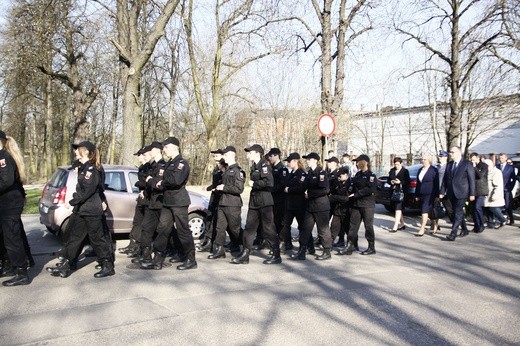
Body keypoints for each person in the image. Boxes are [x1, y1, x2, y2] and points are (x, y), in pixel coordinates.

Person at [46, 141, 115, 278]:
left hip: (91, 209)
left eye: (78, 149)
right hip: (82, 209)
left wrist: (71, 202)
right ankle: (67, 264)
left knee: (97, 239)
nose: (75, 151)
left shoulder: (91, 169)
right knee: (74, 238)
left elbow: (87, 191)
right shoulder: (84, 167)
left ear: (86, 151)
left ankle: (107, 265)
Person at [141, 137, 196, 270]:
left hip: (178, 201)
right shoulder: (170, 163)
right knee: (162, 229)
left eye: (166, 147)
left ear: (175, 147)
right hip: (167, 201)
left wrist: (162, 182)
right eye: (163, 147)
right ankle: (158, 258)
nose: (164, 150)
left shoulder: (181, 163)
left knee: (183, 230)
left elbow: (176, 180)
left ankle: (190, 258)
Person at [232, 144, 281, 265]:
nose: (248, 154)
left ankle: (276, 254)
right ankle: (245, 253)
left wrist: (255, 184)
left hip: (265, 202)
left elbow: (269, 182)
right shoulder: (254, 166)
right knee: (249, 228)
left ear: (258, 153)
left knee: (268, 229)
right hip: (255, 202)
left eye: (250, 152)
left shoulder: (264, 165)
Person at [0, 131, 30, 286]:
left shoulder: (4, 157)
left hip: (10, 204)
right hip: (5, 204)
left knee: (12, 239)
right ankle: (9, 267)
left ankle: (21, 272)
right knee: (5, 238)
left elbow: (6, 181)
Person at [290, 152, 332, 260]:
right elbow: (303, 186)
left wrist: (310, 194)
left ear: (315, 160)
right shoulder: (308, 173)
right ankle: (302, 251)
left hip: (321, 205)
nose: (307, 161)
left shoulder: (321, 173)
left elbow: (325, 190)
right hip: (310, 205)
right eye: (307, 159)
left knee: (322, 230)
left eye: (309, 159)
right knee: (305, 229)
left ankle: (327, 251)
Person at [208, 146, 245, 260]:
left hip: (233, 204)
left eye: (226, 155)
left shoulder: (238, 171)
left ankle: (244, 246)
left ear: (232, 155)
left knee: (235, 228)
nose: (224, 157)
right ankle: (219, 250)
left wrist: (224, 187)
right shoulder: (226, 170)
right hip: (222, 203)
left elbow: (239, 189)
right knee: (220, 227)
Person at [132, 141, 165, 265]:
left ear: (156, 150)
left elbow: (158, 185)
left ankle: (162, 254)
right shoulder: (152, 166)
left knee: (162, 230)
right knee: (146, 228)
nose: (147, 153)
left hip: (159, 201)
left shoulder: (162, 166)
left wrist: (149, 181)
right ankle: (145, 255)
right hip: (151, 200)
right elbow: (147, 183)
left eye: (150, 150)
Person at [119, 145, 151, 257]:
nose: (138, 158)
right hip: (141, 198)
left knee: (146, 224)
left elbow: (147, 183)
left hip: (148, 198)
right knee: (137, 221)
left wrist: (141, 186)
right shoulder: (142, 167)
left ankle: (139, 247)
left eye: (139, 155)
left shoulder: (149, 167)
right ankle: (132, 244)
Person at [440, 146, 475, 241]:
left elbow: (471, 180)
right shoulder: (449, 164)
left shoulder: (467, 163)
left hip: (462, 192)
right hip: (451, 192)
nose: (450, 154)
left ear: (459, 153)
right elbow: (445, 179)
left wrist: (472, 193)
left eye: (452, 152)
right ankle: (465, 229)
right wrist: (442, 191)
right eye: (450, 152)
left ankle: (453, 233)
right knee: (455, 212)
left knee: (458, 212)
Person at [345, 154, 377, 255]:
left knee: (368, 226)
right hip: (356, 204)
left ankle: (371, 247)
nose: (357, 163)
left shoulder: (371, 176)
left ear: (365, 162)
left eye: (359, 162)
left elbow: (371, 189)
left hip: (367, 204)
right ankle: (351, 245)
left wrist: (357, 194)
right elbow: (352, 186)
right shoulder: (357, 175)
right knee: (353, 226)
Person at [280, 153, 310, 255]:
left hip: (299, 204)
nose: (287, 163)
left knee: (302, 226)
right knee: (285, 224)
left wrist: (289, 189)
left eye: (289, 161)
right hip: (289, 204)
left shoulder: (301, 173)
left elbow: (302, 188)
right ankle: (286, 243)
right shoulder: (292, 173)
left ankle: (308, 246)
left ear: (295, 161)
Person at [198, 150, 225, 252]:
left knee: (224, 224)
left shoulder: (225, 168)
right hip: (214, 196)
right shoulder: (216, 168)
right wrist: (208, 188)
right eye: (214, 156)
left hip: (221, 197)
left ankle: (237, 241)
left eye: (217, 156)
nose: (215, 158)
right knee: (210, 219)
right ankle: (208, 242)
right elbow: (214, 183)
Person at [266, 148, 289, 250]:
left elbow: (282, 184)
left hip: (280, 199)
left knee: (280, 221)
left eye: (271, 156)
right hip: (272, 199)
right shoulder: (272, 168)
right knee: (274, 221)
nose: (270, 158)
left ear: (276, 156)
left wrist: (271, 189)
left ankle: (283, 242)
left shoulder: (282, 169)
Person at [414, 154, 439, 236]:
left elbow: (436, 183)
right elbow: (418, 183)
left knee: (424, 210)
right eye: (422, 159)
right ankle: (435, 224)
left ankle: (422, 229)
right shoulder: (420, 170)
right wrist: (416, 194)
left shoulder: (433, 170)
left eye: (425, 159)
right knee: (430, 211)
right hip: (421, 193)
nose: (423, 161)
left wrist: (437, 195)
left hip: (430, 193)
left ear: (429, 160)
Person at [328, 167, 351, 251]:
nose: (338, 178)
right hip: (338, 210)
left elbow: (346, 198)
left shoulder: (350, 183)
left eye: (340, 176)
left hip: (346, 210)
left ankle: (352, 245)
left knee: (348, 229)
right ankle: (329, 246)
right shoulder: (338, 183)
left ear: (346, 175)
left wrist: (334, 197)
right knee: (334, 227)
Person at [387, 157, 410, 232]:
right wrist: (391, 182)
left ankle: (395, 226)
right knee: (397, 208)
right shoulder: (392, 170)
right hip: (393, 192)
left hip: (401, 192)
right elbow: (388, 180)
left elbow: (407, 182)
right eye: (395, 164)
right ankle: (402, 223)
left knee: (398, 208)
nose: (396, 166)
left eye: (397, 164)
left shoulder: (405, 171)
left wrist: (400, 182)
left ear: (401, 164)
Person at [483, 159, 506, 229]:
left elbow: (498, 185)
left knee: (493, 208)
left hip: (494, 194)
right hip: (487, 194)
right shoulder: (487, 172)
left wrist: (495, 195)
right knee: (488, 208)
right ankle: (490, 223)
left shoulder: (496, 172)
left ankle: (503, 219)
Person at [470, 153, 489, 233]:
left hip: (481, 190)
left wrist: (474, 167)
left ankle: (481, 225)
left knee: (478, 207)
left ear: (478, 158)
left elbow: (480, 175)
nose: (472, 161)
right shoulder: (471, 166)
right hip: (473, 190)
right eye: (471, 160)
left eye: (473, 159)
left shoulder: (484, 165)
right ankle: (476, 225)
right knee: (473, 209)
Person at [496, 153, 516, 225]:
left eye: (502, 158)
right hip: (498, 189)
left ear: (505, 158)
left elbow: (514, 179)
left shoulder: (510, 167)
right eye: (499, 158)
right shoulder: (497, 166)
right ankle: (501, 219)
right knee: (498, 205)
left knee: (507, 205)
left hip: (506, 189)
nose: (500, 159)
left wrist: (510, 187)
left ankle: (511, 219)